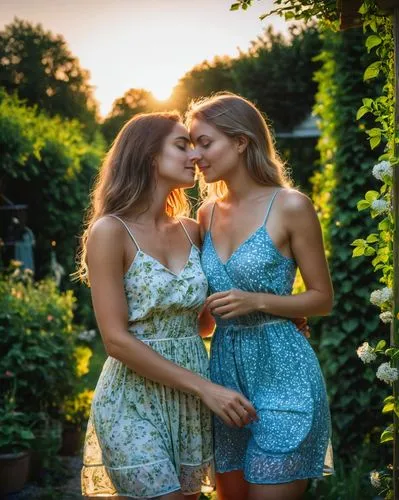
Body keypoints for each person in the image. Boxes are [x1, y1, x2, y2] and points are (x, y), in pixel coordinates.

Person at [77, 111, 257, 499]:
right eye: (182, 145)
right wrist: (206, 389)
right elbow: (115, 341)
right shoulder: (110, 231)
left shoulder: (193, 231)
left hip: (189, 402)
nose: (195, 155)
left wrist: (275, 312)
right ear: (148, 155)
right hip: (132, 401)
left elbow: (204, 323)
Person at [187, 93, 334, 500]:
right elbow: (204, 310)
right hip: (225, 382)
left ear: (240, 141)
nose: (196, 155)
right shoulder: (206, 214)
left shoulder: (290, 206)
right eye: (191, 144)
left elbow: (322, 298)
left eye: (204, 142)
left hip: (285, 376)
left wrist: (259, 302)